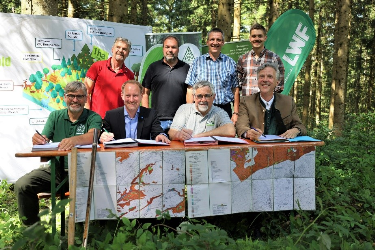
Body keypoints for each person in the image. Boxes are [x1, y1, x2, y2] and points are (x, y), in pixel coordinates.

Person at [15, 81, 102, 225]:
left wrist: (74, 140)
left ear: (86, 98)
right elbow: (44, 139)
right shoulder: (55, 116)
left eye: (79, 96)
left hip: (83, 173)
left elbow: (93, 136)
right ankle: (34, 230)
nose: (75, 100)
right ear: (65, 97)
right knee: (23, 185)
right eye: (71, 96)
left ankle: (83, 231)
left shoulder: (93, 117)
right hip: (56, 171)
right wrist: (39, 140)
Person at [236, 63, 306, 141]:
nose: (265, 80)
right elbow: (241, 126)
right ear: (258, 80)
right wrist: (248, 133)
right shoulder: (246, 101)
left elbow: (300, 126)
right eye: (262, 76)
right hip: (255, 148)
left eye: (270, 76)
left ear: (277, 82)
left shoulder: (288, 102)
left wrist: (295, 130)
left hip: (283, 148)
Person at [185, 28, 240, 124]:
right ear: (207, 42)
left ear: (223, 42)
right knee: (202, 138)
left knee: (225, 138)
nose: (215, 42)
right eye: (212, 39)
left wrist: (236, 113)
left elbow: (235, 90)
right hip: (202, 109)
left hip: (224, 110)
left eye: (218, 40)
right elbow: (190, 89)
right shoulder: (197, 62)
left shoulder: (230, 62)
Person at [141, 35, 190, 134]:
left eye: (173, 47)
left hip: (180, 121)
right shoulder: (153, 67)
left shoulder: (186, 68)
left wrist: (188, 116)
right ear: (163, 49)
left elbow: (190, 92)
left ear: (178, 49)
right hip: (157, 121)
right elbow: (145, 93)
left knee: (178, 149)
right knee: (157, 149)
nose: (170, 50)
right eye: (167, 47)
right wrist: (147, 115)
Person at [100, 80, 170, 143]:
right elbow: (104, 135)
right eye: (128, 96)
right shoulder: (111, 116)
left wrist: (161, 135)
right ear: (122, 96)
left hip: (142, 155)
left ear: (141, 96)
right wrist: (103, 137)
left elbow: (157, 132)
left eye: (135, 96)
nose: (131, 100)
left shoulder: (150, 114)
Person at [84, 37, 134, 118]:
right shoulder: (97, 67)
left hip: (118, 121)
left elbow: (130, 101)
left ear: (128, 53)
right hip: (96, 119)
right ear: (112, 49)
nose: (120, 50)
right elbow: (85, 92)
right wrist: (87, 115)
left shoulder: (130, 75)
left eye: (124, 49)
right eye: (118, 47)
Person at [168, 81, 235, 141]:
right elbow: (171, 133)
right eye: (199, 96)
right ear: (194, 97)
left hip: (210, 152)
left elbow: (231, 131)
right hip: (186, 151)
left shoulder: (219, 112)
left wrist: (201, 136)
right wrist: (179, 135)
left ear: (213, 97)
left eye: (207, 96)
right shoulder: (184, 109)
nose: (203, 100)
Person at [237, 23, 285, 96]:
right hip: (246, 104)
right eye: (254, 36)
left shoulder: (274, 59)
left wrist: (268, 98)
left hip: (266, 105)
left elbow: (280, 85)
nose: (257, 39)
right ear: (250, 38)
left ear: (265, 38)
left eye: (260, 36)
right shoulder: (242, 59)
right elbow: (237, 85)